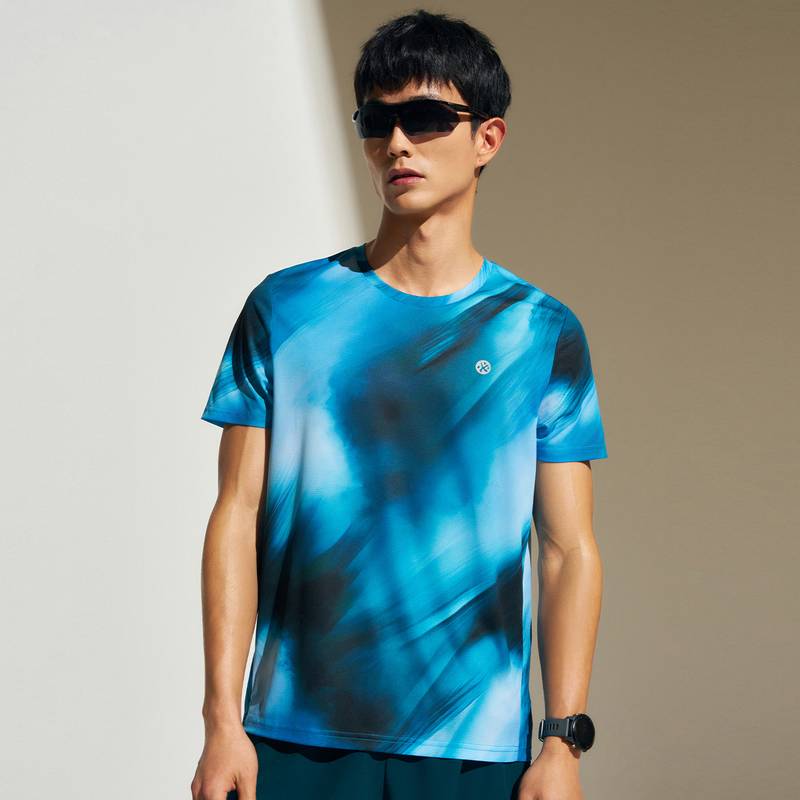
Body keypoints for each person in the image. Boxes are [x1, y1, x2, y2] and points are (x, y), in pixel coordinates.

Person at [191, 9, 608, 800]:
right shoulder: (285, 309)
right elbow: (235, 516)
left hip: (476, 746)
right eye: (377, 121)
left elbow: (567, 549)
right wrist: (221, 723)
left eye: (426, 118)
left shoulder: (539, 331)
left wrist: (563, 743)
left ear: (487, 138)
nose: (398, 143)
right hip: (294, 736)